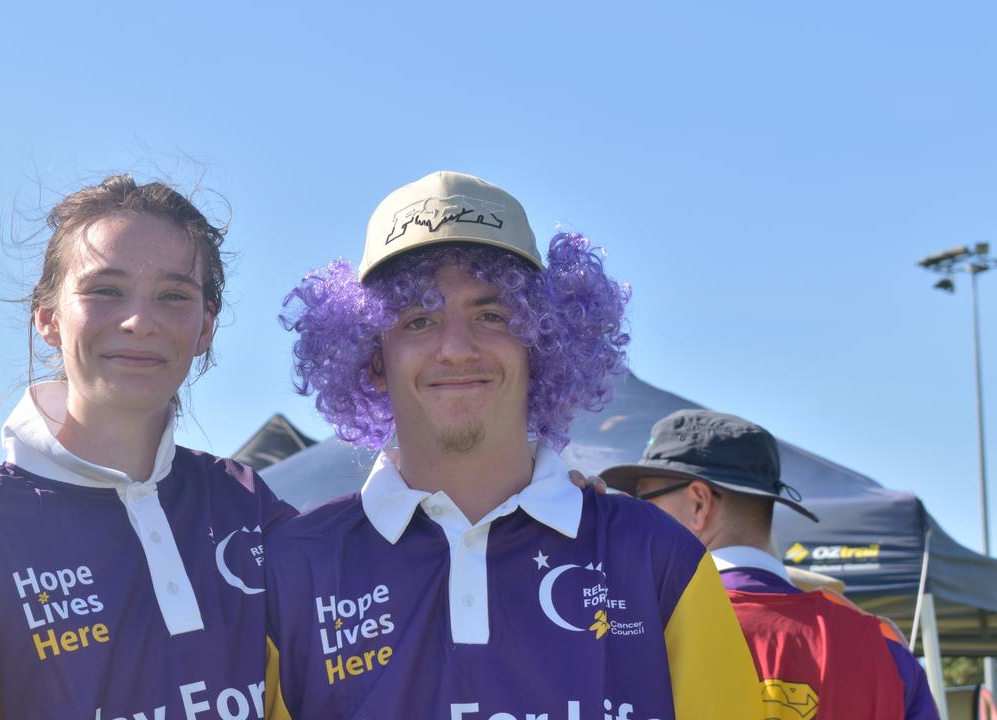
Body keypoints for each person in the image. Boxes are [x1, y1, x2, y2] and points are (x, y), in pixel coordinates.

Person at [267, 171, 761, 719]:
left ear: (544, 343)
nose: (456, 348)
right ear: (373, 358)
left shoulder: (656, 558)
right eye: (419, 320)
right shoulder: (296, 568)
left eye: (492, 315)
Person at [0, 175, 295, 719]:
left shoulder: (250, 506)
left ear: (205, 328)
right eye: (105, 291)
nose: (140, 321)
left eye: (173, 296)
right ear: (47, 317)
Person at [602, 409, 940, 720]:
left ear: (699, 505)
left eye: (644, 500)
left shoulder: (639, 632)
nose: (638, 517)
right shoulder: (883, 646)